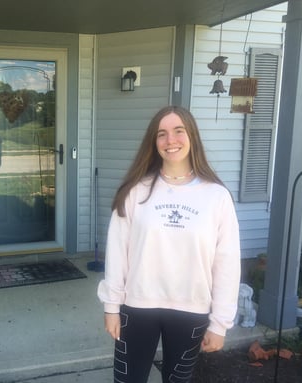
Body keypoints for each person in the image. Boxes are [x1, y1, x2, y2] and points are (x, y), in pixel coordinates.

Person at [97, 105, 241, 383]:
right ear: (154, 142)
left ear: (192, 137)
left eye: (178, 131)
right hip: (137, 307)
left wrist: (220, 323)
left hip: (191, 309)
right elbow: (117, 253)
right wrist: (111, 306)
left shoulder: (216, 196)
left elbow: (227, 263)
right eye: (161, 134)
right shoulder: (134, 191)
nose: (170, 140)